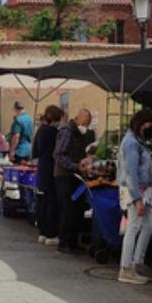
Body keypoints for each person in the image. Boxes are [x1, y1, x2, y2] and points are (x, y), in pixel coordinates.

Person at [117, 108, 152, 284]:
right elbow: (130, 172)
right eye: (151, 123)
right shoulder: (131, 143)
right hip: (136, 190)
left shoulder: (139, 141)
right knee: (133, 227)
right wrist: (137, 199)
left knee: (150, 224)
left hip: (144, 190)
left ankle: (138, 262)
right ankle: (125, 268)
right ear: (142, 123)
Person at [53, 108, 94, 254]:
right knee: (68, 209)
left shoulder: (83, 134)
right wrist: (75, 166)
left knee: (78, 208)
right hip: (64, 175)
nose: (87, 127)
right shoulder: (66, 131)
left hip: (77, 176)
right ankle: (64, 242)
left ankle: (73, 242)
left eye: (88, 124)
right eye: (85, 123)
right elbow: (58, 155)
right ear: (78, 118)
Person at [32, 106, 63, 245]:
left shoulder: (41, 131)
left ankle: (43, 232)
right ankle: (51, 234)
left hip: (42, 168)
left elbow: (36, 151)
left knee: (43, 202)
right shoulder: (54, 132)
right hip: (52, 169)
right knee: (52, 202)